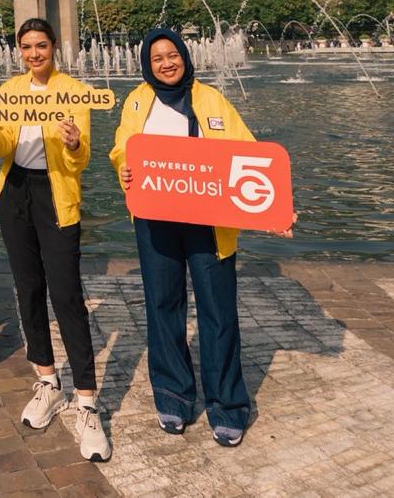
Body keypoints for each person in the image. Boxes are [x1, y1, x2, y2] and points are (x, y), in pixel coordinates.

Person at [109, 26, 291, 449]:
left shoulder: (212, 99)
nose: (166, 64)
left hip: (209, 220)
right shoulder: (137, 100)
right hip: (155, 217)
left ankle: (227, 406)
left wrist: (275, 208)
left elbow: (249, 153)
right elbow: (122, 147)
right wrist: (124, 167)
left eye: (172, 55)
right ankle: (173, 396)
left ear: (185, 57)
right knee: (163, 306)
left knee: (218, 310)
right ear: (147, 65)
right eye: (157, 58)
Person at [0, 18, 110, 462]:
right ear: (19, 50)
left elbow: (81, 159)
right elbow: (1, 145)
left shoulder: (73, 91)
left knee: (66, 296)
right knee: (28, 289)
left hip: (56, 194)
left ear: (53, 48)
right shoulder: (8, 92)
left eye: (41, 46)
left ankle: (86, 400)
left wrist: (74, 143)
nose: (34, 54)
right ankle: (47, 379)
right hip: (15, 192)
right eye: (27, 47)